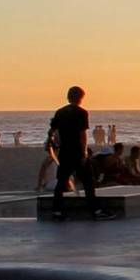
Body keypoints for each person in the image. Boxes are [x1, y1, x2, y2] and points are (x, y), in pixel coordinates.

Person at [47, 86, 110, 220]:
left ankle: (56, 211)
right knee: (88, 182)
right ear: (80, 98)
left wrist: (51, 143)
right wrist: (84, 153)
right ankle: (96, 211)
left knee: (61, 182)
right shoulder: (82, 113)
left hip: (64, 152)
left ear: (68, 96)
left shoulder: (60, 112)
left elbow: (51, 131)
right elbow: (83, 135)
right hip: (77, 152)